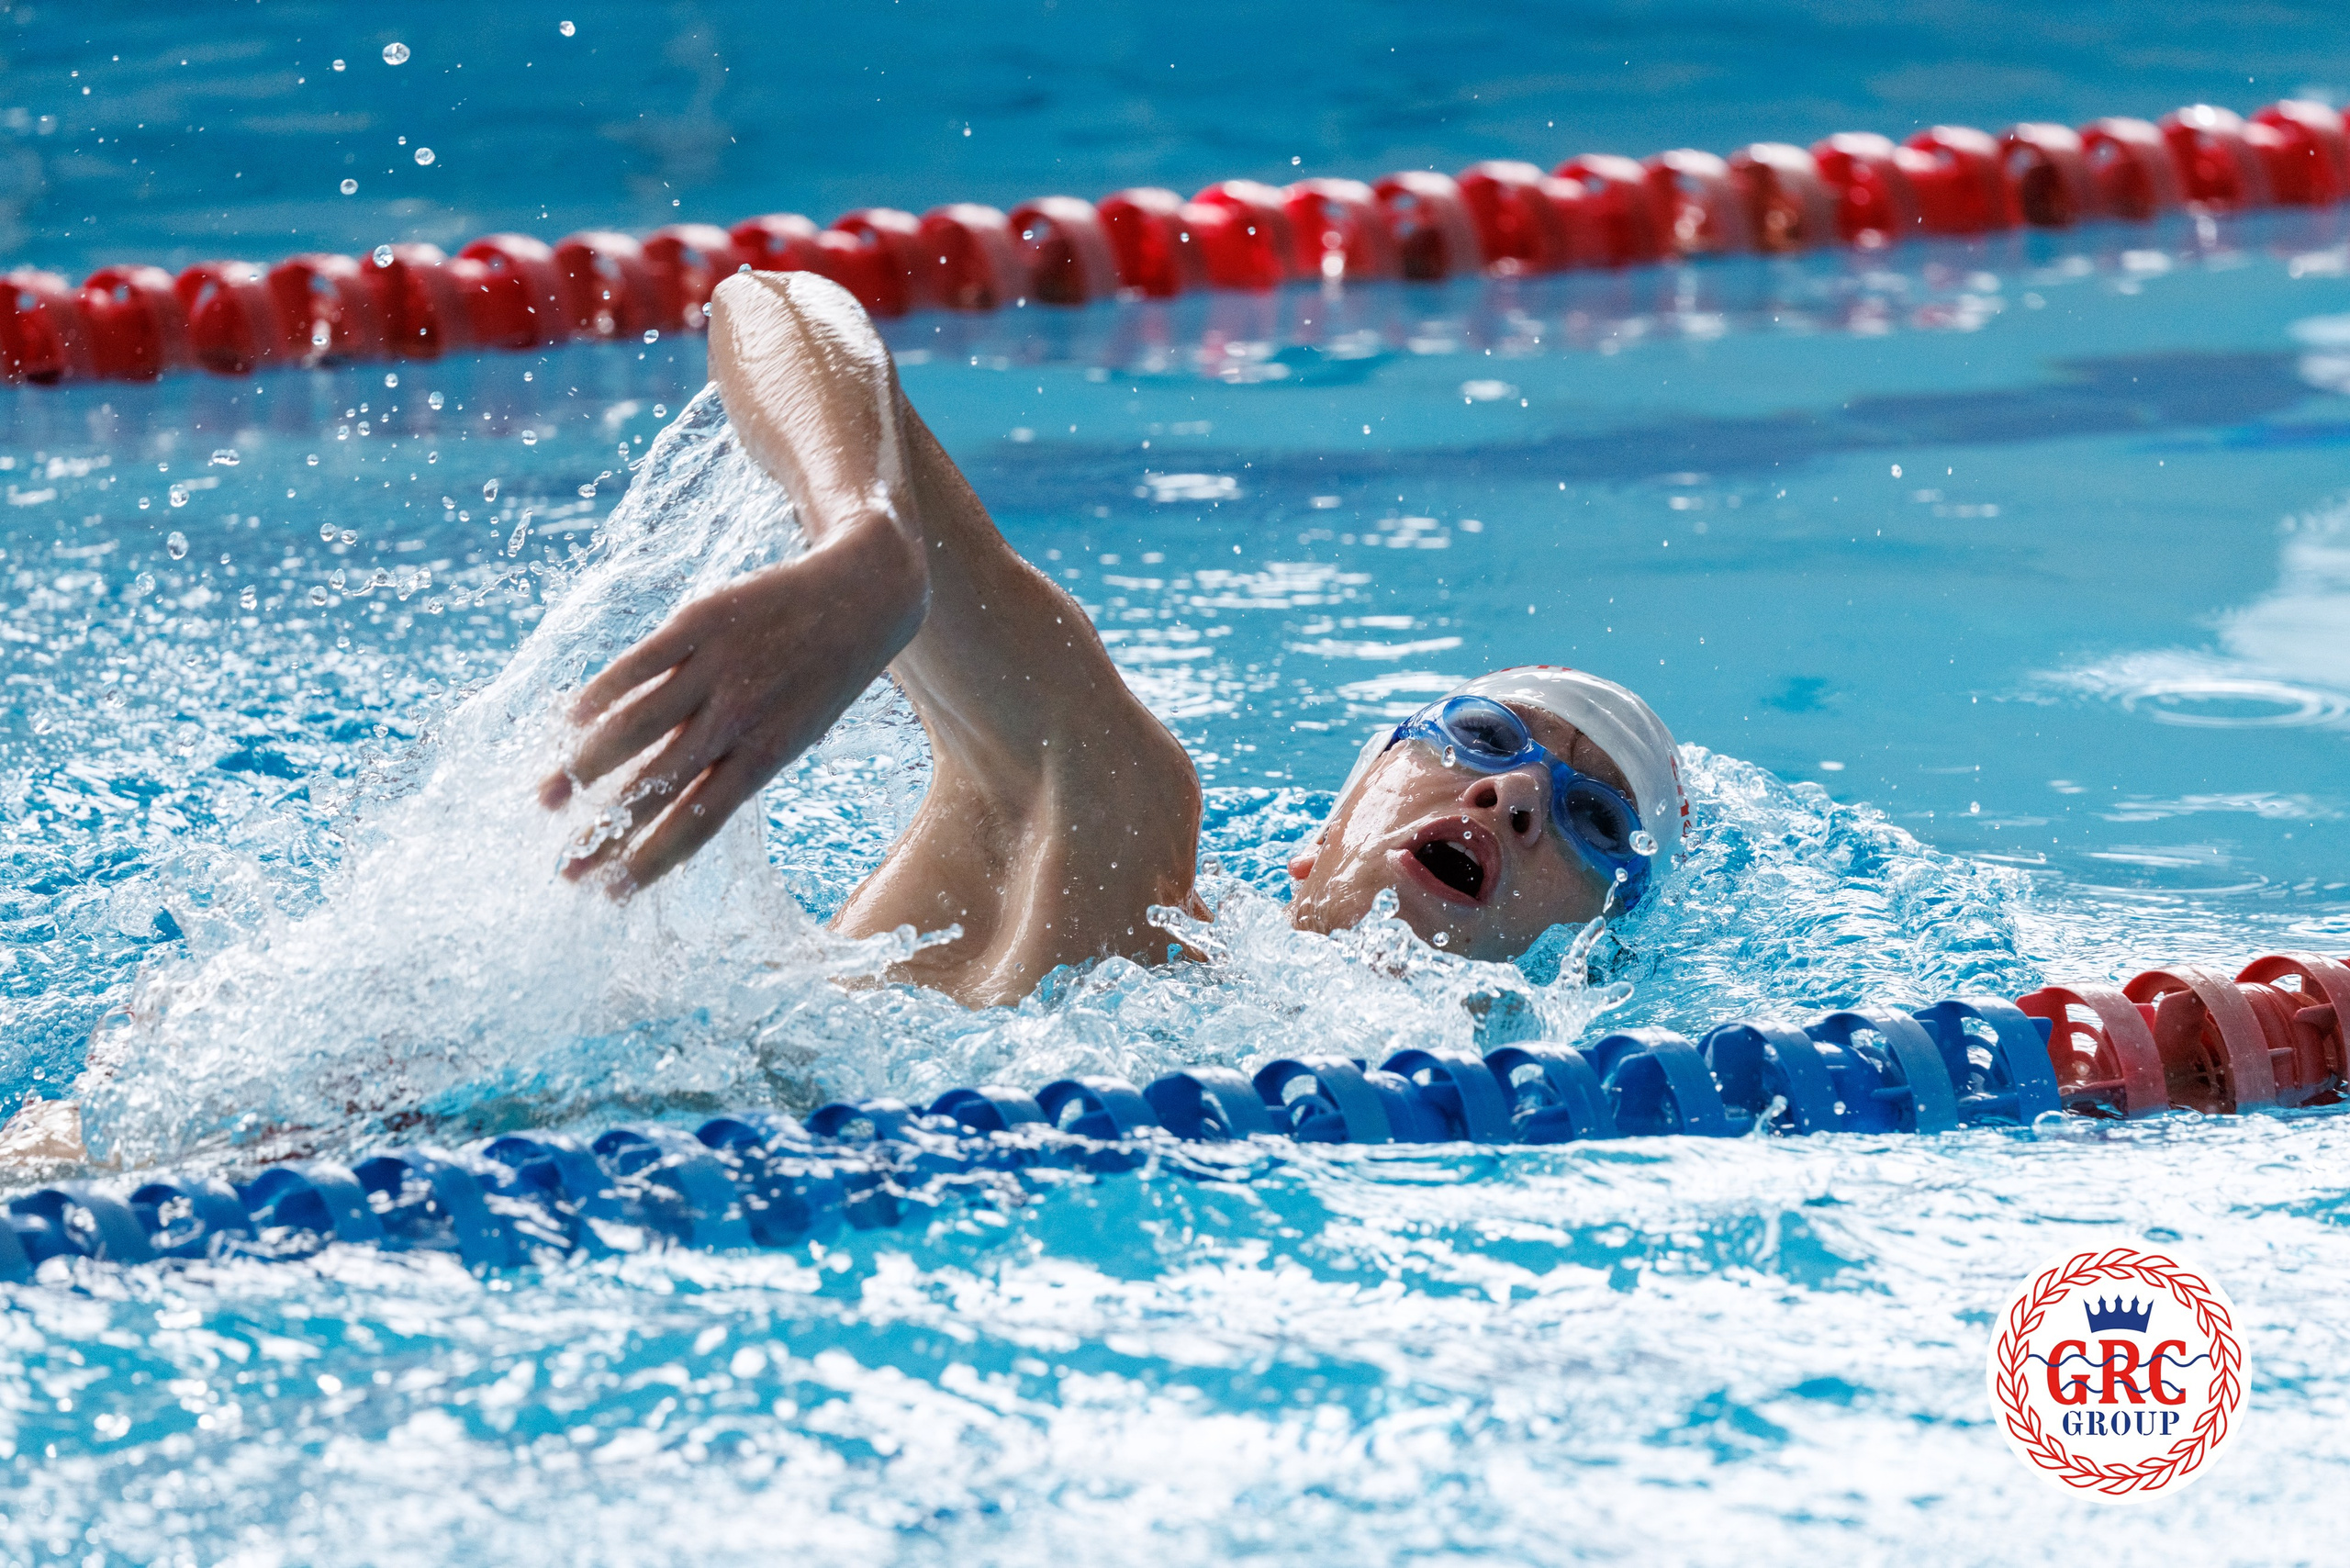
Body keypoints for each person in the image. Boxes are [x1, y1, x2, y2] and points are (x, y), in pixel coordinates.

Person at [540, 269, 1686, 1008]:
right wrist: (866, 531)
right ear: (1331, 820)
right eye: (1481, 738)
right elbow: (774, 301)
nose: (1512, 800)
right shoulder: (1114, 826)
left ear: (1592, 961)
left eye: (1590, 821)